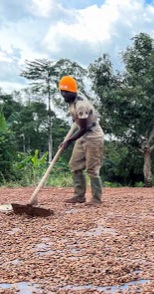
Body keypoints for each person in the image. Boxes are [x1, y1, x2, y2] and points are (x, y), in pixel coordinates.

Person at [58, 75, 105, 206]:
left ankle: (96, 199)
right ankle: (79, 196)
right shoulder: (71, 102)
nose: (63, 94)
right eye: (62, 91)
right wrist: (69, 139)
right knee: (74, 165)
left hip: (93, 137)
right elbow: (78, 124)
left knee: (92, 169)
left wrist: (69, 141)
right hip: (82, 136)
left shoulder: (81, 105)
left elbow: (84, 128)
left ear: (73, 91)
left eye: (66, 92)